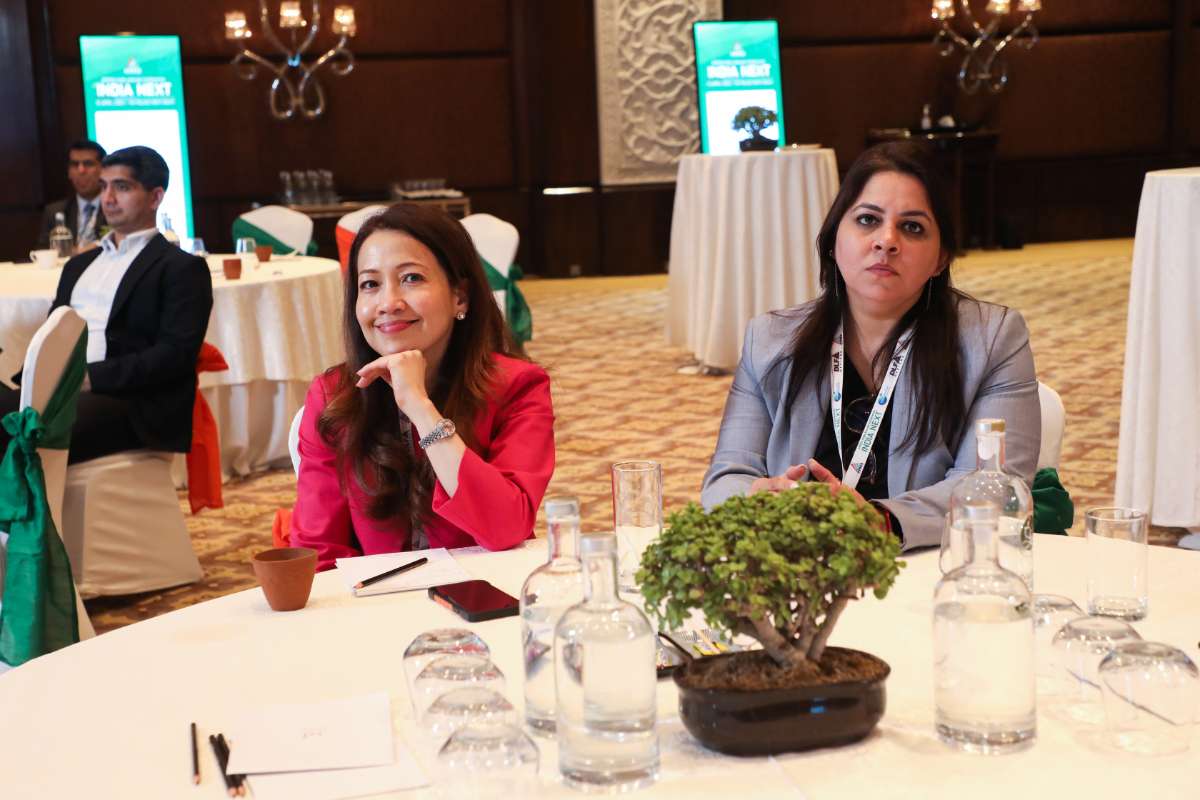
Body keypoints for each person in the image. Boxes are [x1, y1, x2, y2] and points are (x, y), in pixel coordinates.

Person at [701, 140, 1040, 550]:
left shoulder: (992, 340)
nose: (886, 240)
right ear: (833, 240)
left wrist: (879, 521)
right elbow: (725, 480)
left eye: (912, 227)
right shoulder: (770, 341)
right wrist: (757, 497)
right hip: (801, 566)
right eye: (867, 220)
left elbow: (994, 487)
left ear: (940, 259)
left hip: (926, 566)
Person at [291, 203, 555, 571]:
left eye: (412, 278)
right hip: (373, 601)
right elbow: (318, 551)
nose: (388, 303)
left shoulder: (517, 386)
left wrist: (419, 407)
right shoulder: (334, 395)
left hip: (485, 593)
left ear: (460, 296)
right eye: (370, 284)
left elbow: (506, 527)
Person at [1, 145, 213, 463]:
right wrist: (39, 379)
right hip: (60, 389)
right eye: (104, 187)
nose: (108, 198)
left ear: (155, 197)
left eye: (122, 187)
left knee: (26, 429)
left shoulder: (181, 268)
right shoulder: (78, 266)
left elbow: (174, 356)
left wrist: (88, 377)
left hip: (130, 402)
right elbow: (53, 334)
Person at [37, 139, 108, 251]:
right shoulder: (54, 211)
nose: (81, 170)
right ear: (69, 172)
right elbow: (43, 251)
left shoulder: (115, 207)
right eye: (75, 165)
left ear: (103, 170)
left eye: (88, 164)